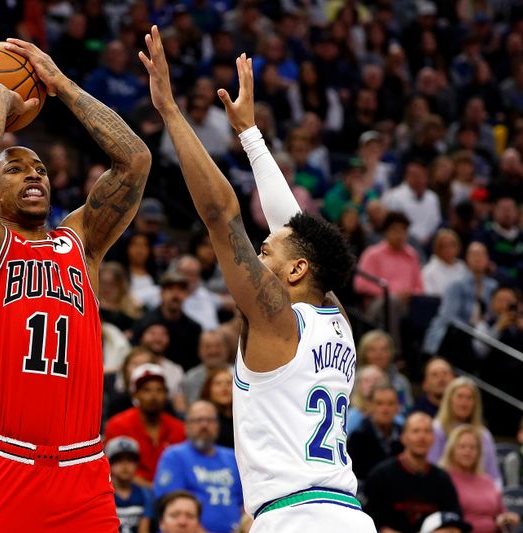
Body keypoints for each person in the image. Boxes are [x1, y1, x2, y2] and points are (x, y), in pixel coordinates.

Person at [139, 30, 373, 532]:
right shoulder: (338, 322)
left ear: (295, 272)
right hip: (349, 517)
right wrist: (250, 135)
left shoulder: (276, 321)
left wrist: (172, 113)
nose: (259, 251)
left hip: (295, 519)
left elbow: (223, 216)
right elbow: (298, 232)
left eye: (266, 251)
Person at [0, 34, 151, 532]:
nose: (33, 174)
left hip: (82, 470)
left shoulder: (80, 242)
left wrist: (62, 84)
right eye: (14, 168)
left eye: (39, 167)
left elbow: (135, 161)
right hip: (1, 461)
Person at [154, 400, 243, 533]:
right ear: (186, 425)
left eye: (210, 420)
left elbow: (245, 504)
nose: (204, 425)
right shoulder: (174, 456)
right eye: (198, 420)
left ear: (218, 425)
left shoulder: (232, 457)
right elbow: (172, 505)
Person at [364, 412, 461, 533]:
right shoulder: (381, 475)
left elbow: (455, 520)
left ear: (433, 438)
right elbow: (368, 519)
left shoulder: (442, 478)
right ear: (403, 437)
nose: (422, 437)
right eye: (416, 431)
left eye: (427, 431)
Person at [104, 364, 186, 487]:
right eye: (146, 390)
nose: (154, 396)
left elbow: (181, 468)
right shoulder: (117, 424)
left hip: (170, 493)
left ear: (166, 394)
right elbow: (113, 467)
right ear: (135, 394)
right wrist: (149, 489)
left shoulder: (179, 428)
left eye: (159, 390)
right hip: (129, 493)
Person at [439, 424, 519, 533]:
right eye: (462, 446)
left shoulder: (487, 481)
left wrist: (507, 518)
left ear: (479, 452)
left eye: (472, 447)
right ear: (452, 449)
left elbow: (501, 512)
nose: (467, 451)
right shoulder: (444, 478)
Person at [427, 377, 502, 488]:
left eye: (469, 398)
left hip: (479, 493)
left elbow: (494, 477)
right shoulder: (436, 429)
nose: (464, 402)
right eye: (460, 396)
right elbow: (431, 469)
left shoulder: (484, 435)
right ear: (449, 399)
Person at [132, 271, 203, 371]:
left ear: (186, 294)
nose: (175, 294)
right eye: (170, 289)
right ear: (161, 293)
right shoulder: (144, 323)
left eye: (180, 289)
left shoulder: (194, 328)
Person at [347, 383, 403, 484]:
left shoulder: (405, 436)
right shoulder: (357, 437)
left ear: (397, 407)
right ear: (370, 406)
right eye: (379, 403)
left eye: (390, 404)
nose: (385, 409)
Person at [106, 437, 152, 533]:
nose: (125, 465)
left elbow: (145, 528)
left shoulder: (145, 494)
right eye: (118, 460)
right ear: (108, 464)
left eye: (130, 460)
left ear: (137, 464)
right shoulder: (103, 494)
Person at [180, 330, 231, 407]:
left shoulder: (239, 375)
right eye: (208, 347)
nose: (213, 351)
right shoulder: (190, 379)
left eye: (218, 346)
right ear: (199, 350)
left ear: (227, 348)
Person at [198, 368, 235, 449]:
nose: (224, 388)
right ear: (208, 389)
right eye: (218, 384)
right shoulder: (202, 418)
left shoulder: (244, 418)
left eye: (229, 383)